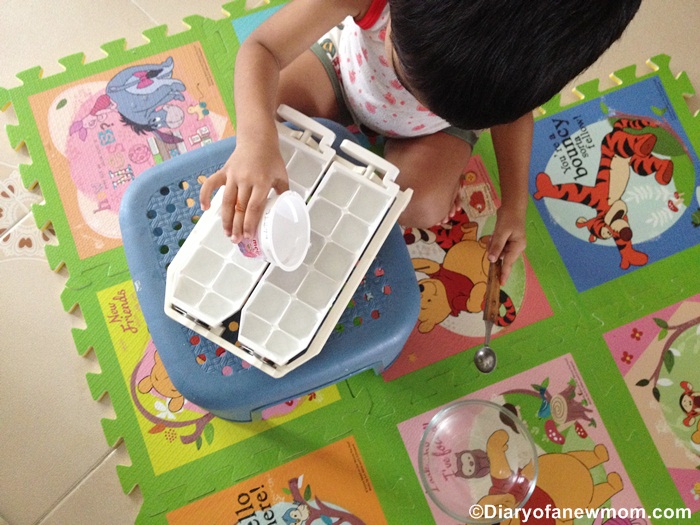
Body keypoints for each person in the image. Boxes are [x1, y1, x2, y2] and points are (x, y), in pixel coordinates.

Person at [200, 0, 642, 284]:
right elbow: (261, 48)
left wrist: (514, 207)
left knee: (424, 206)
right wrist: (258, 142)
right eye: (410, 77)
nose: (410, 92)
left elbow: (514, 116)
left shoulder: (511, 73)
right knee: (258, 122)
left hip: (426, 132)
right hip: (345, 74)